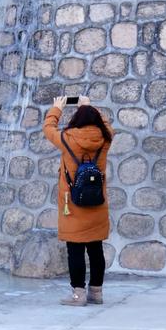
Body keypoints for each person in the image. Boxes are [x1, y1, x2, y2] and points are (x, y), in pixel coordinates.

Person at [43, 94, 113, 307]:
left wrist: (57, 108)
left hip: (72, 204)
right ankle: (96, 293)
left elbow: (48, 128)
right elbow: (107, 125)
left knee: (75, 250)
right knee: (95, 249)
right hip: (97, 202)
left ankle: (78, 295)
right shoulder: (105, 138)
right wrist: (90, 105)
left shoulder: (67, 138)